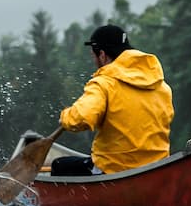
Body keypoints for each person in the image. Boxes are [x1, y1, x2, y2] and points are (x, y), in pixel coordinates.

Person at [51, 24, 174, 176]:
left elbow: (80, 118)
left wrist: (65, 118)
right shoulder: (162, 87)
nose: (94, 61)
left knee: (59, 165)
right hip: (157, 168)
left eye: (93, 56)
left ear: (102, 55)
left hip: (114, 170)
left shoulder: (103, 84)